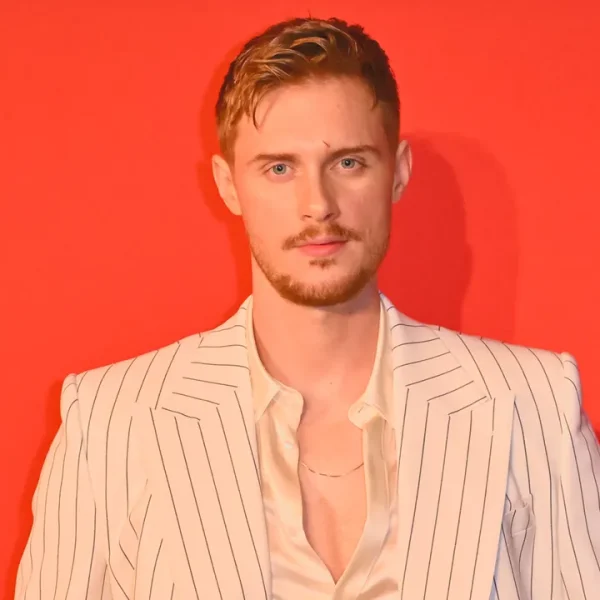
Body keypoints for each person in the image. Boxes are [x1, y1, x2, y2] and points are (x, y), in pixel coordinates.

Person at [15, 16, 600, 600]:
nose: (317, 204)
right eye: (279, 168)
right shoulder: (112, 422)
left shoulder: (533, 406)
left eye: (348, 163)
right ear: (227, 184)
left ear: (397, 173)